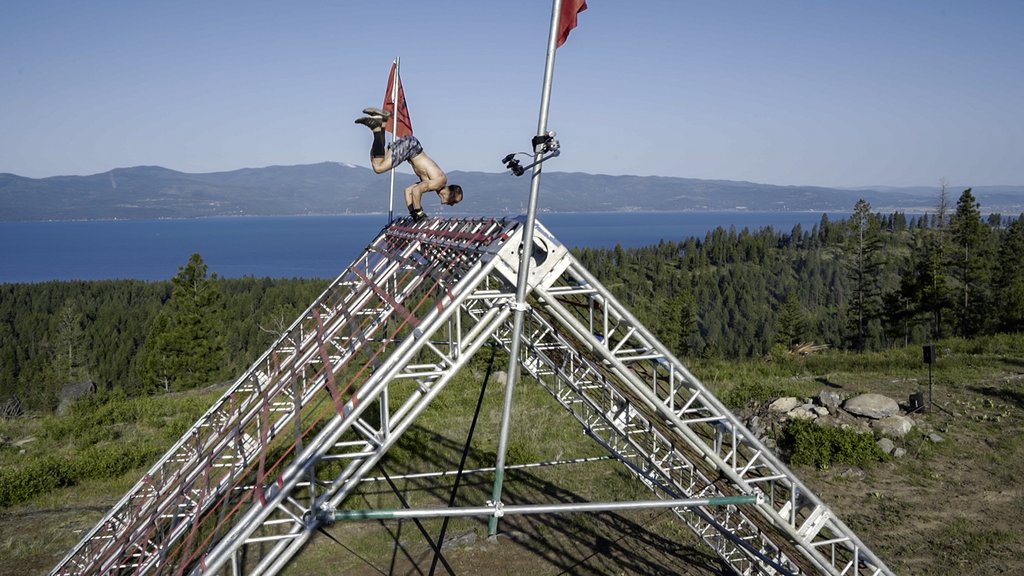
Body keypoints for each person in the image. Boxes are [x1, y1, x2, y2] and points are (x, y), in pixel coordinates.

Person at [355, 107, 463, 222]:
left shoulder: (434, 183)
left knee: (377, 161)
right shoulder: (439, 182)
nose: (453, 205)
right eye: (455, 201)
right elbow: (417, 191)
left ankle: (382, 122)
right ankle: (377, 127)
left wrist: (413, 214)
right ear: (451, 195)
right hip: (411, 149)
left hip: (411, 147)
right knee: (379, 168)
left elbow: (408, 191)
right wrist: (420, 213)